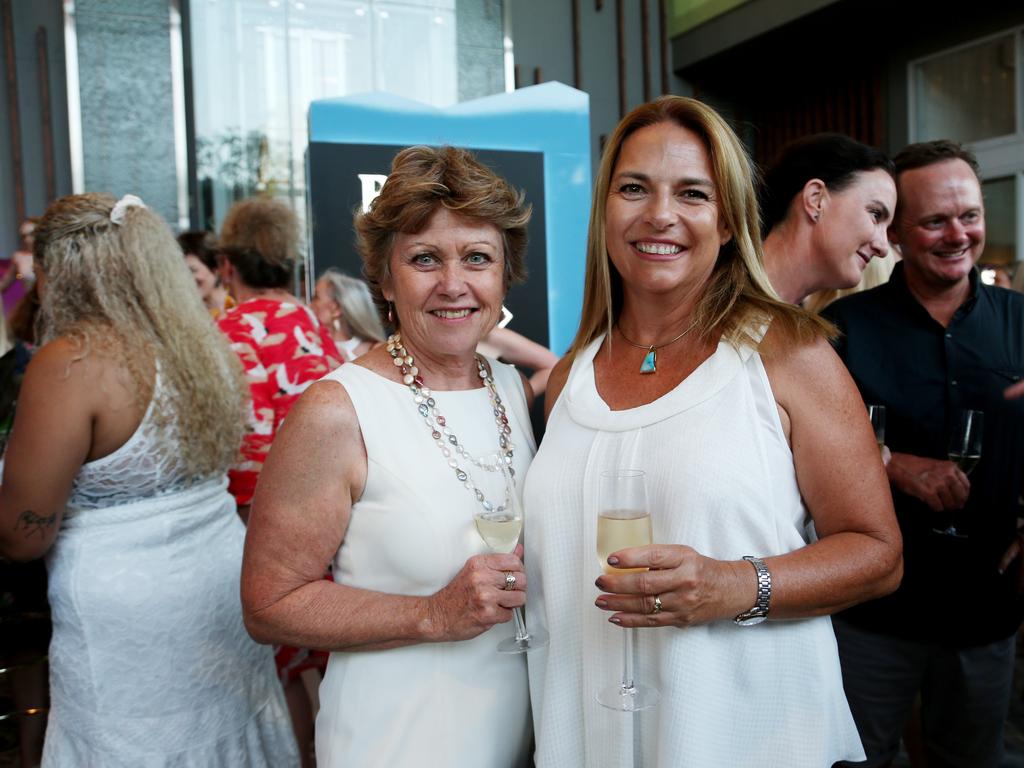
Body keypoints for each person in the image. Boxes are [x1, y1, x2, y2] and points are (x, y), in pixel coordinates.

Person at [523, 96, 902, 767]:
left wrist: (737, 584)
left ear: (727, 221)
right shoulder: (569, 379)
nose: (659, 214)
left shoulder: (786, 353)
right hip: (590, 741)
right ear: (605, 210)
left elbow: (878, 554)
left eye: (691, 193)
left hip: (744, 738)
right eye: (634, 188)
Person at [240, 145, 537, 768]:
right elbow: (268, 604)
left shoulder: (505, 383)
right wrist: (433, 614)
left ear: (504, 276)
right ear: (383, 276)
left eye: (478, 259)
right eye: (424, 259)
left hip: (514, 734)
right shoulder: (337, 409)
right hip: (397, 741)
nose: (453, 284)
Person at [0, 192, 298, 766]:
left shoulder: (72, 361)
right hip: (220, 582)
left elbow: (23, 534)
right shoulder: (202, 346)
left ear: (61, 271)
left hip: (128, 626)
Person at [822, 140, 1024, 768]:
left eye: (968, 215)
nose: (957, 234)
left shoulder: (1022, 321)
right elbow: (801, 448)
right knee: (859, 758)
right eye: (934, 221)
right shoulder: (845, 327)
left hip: (987, 608)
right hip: (876, 613)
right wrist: (891, 464)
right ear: (898, 234)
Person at [215, 196, 341, 766]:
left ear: (227, 264)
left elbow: (228, 447)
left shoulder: (221, 334)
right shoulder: (315, 327)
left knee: (284, 671)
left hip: (260, 521)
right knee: (335, 659)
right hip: (338, 513)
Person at [760, 133, 896, 305]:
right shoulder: (719, 296)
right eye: (875, 214)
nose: (883, 248)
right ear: (816, 199)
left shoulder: (811, 329)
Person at [310, 268, 386, 360]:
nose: (309, 305)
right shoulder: (308, 345)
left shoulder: (376, 351)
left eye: (316, 297)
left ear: (336, 308)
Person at [178, 229, 233, 318]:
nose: (185, 278)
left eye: (192, 270)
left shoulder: (237, 307)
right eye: (180, 271)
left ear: (216, 269)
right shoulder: (184, 313)